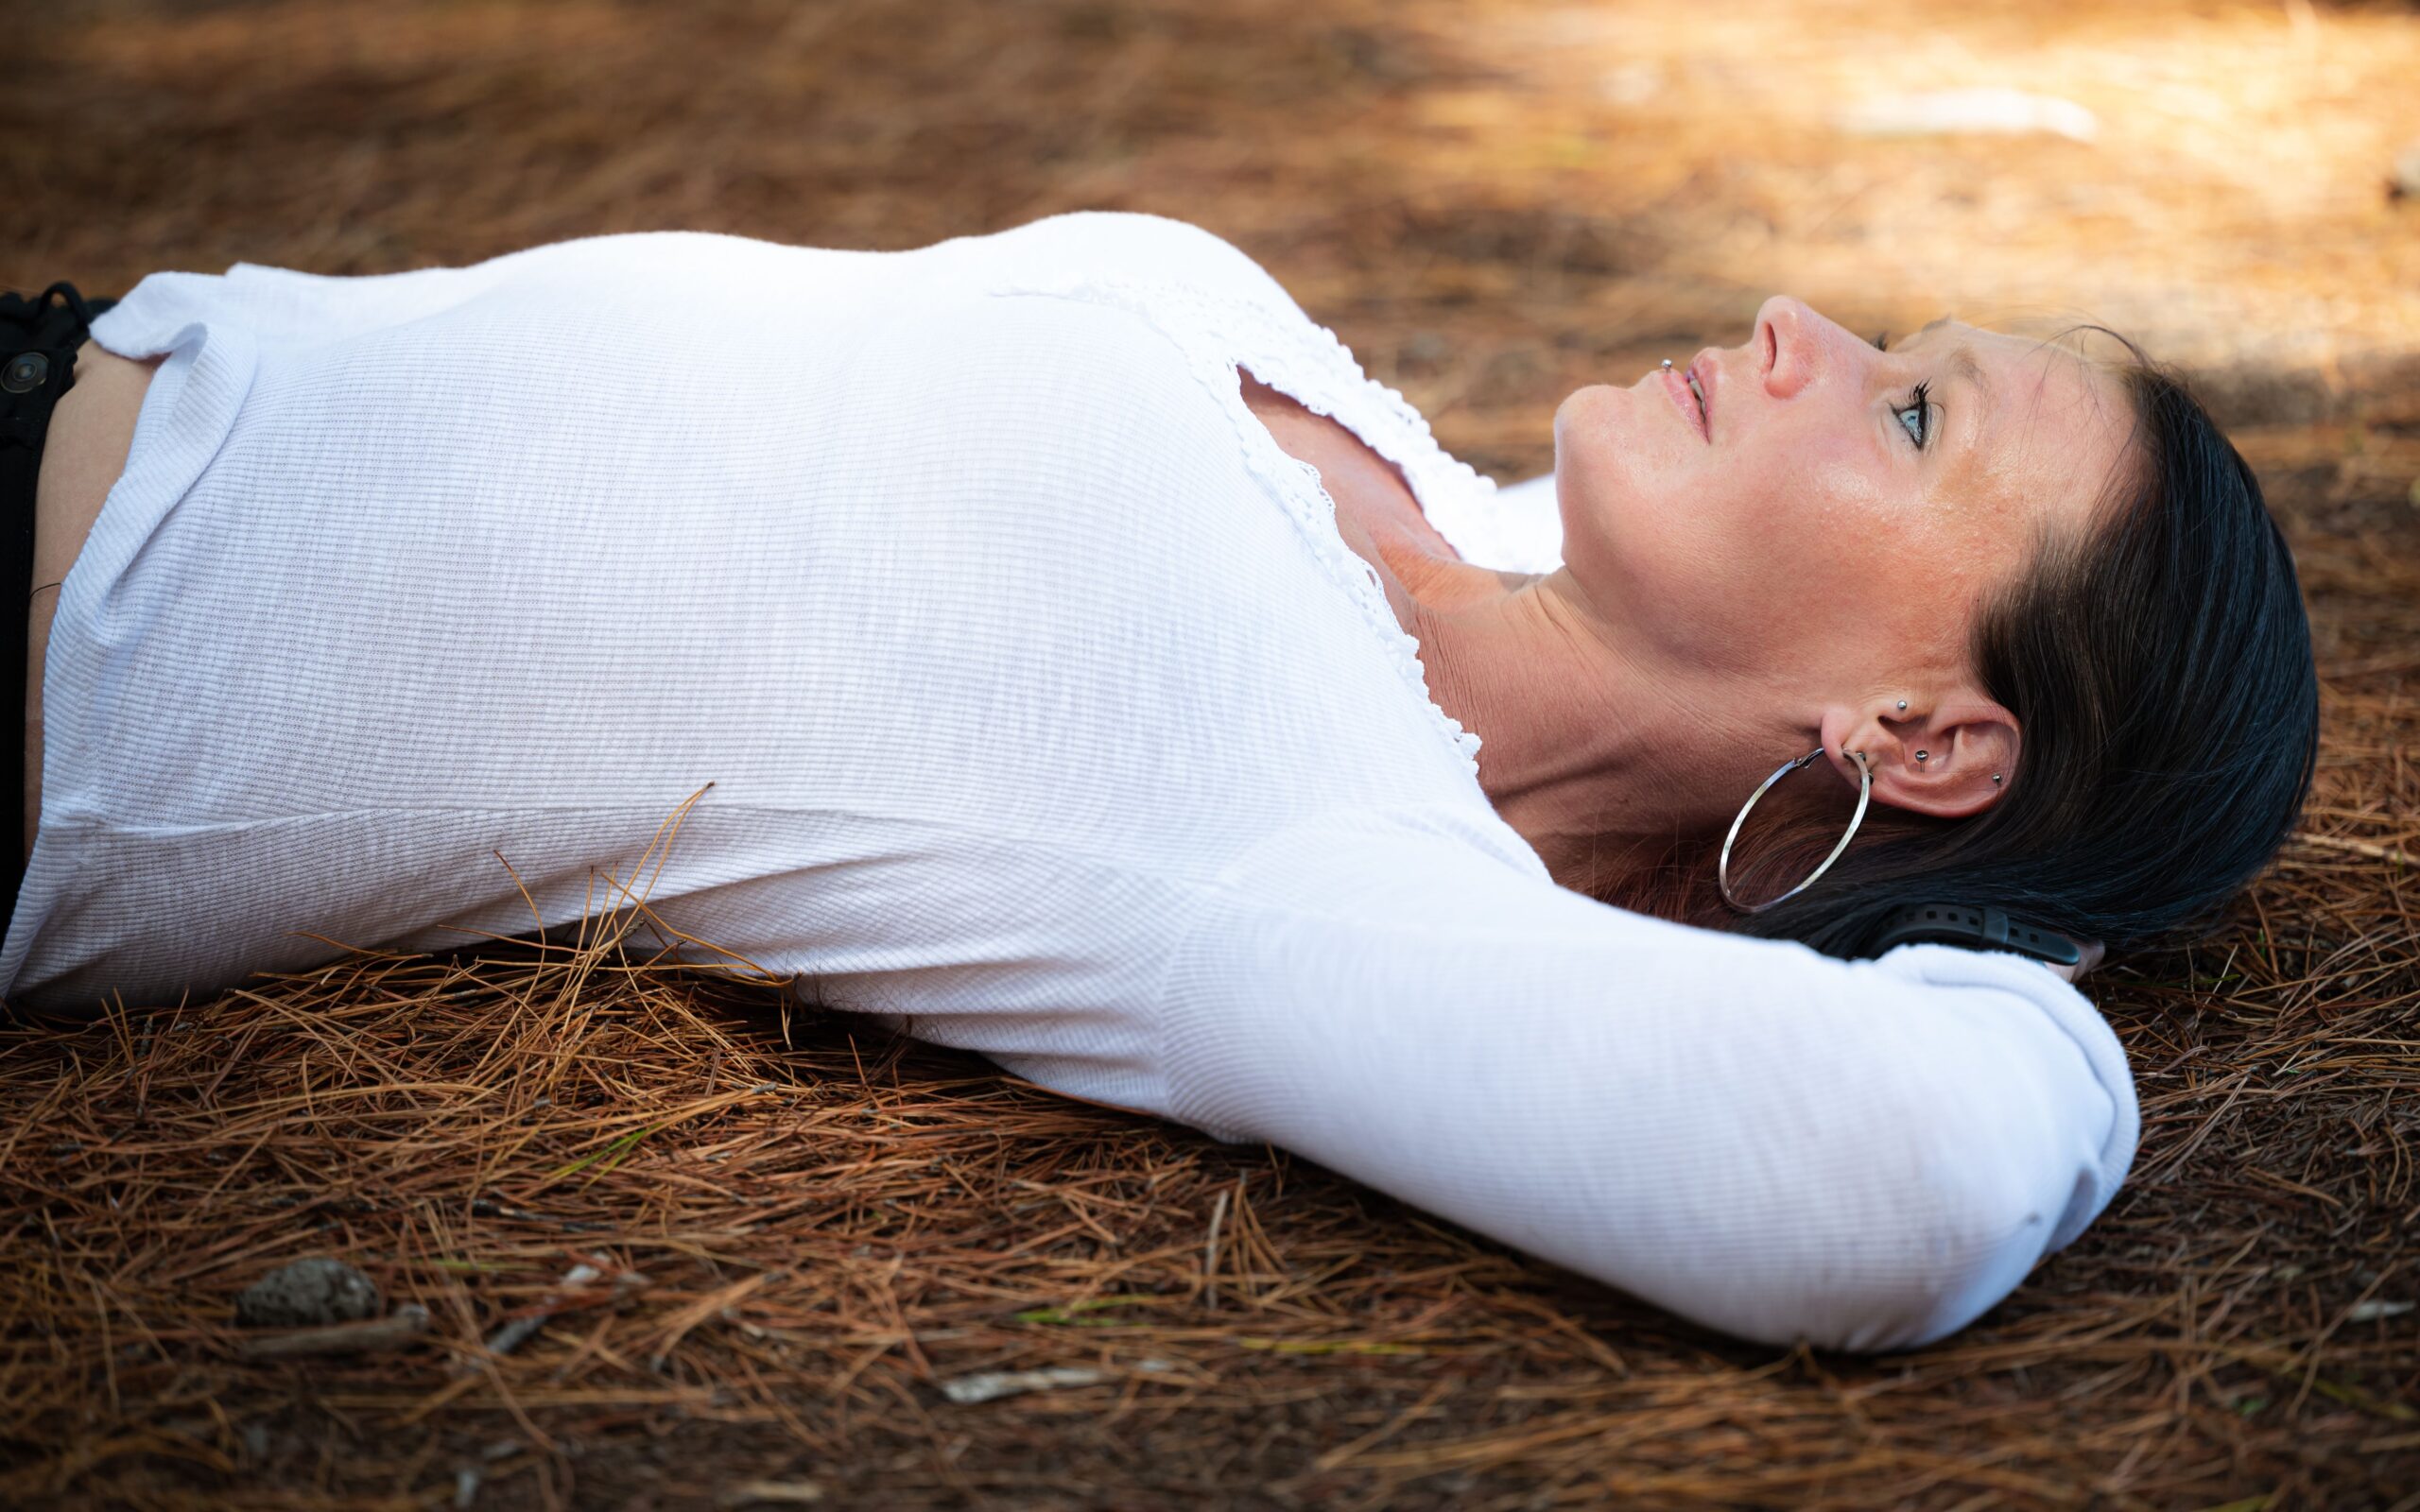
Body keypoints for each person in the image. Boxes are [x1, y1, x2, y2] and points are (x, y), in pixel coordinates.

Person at [0, 212, 2316, 1352]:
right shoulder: (1467, 521)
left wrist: (2016, 919)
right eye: (1898, 344)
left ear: (1920, 736)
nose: (1810, 333)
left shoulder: (1309, 863)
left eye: (1910, 420)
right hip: (102, 335)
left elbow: (1900, 1167)